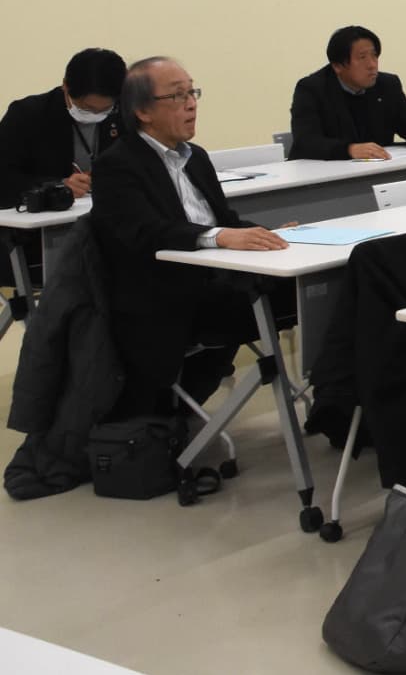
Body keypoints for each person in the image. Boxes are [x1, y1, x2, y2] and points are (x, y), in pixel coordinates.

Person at [90, 57, 289, 418]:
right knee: (282, 294)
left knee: (313, 286)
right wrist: (221, 237)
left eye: (192, 92)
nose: (191, 104)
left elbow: (225, 221)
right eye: (177, 95)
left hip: (214, 284)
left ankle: (340, 404)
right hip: (165, 297)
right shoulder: (117, 165)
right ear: (142, 112)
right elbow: (146, 232)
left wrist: (267, 234)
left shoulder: (196, 157)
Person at [287, 26, 406, 161]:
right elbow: (306, 141)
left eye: (374, 55)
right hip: (321, 174)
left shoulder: (387, 84)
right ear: (338, 66)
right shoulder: (311, 89)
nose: (372, 65)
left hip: (377, 168)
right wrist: (349, 149)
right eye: (362, 57)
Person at [0, 47, 125, 204]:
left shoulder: (124, 112)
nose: (96, 115)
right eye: (87, 108)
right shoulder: (27, 114)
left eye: (105, 110)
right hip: (45, 215)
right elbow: (4, 177)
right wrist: (56, 186)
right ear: (65, 85)